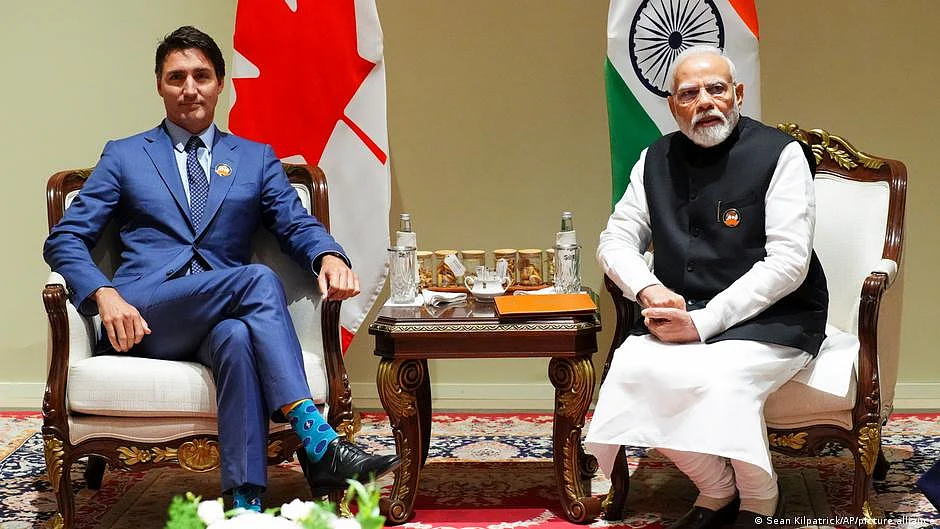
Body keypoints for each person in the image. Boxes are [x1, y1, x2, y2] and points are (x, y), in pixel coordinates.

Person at [43, 26, 399, 511]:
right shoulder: (125, 155)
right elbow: (65, 239)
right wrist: (104, 295)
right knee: (255, 279)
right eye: (176, 77)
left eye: (201, 76)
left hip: (220, 314)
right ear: (159, 85)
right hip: (147, 313)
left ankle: (245, 503)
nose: (189, 88)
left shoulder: (255, 159)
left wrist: (329, 256)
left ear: (220, 83)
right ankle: (317, 442)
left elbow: (296, 224)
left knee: (235, 336)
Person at [585, 45, 828, 529]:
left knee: (721, 378)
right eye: (689, 93)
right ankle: (715, 489)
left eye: (717, 89)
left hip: (775, 319)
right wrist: (647, 290)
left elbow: (788, 263)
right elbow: (615, 240)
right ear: (673, 106)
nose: (705, 101)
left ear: (738, 94)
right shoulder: (654, 158)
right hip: (682, 316)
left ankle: (759, 499)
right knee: (631, 369)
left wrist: (703, 322)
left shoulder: (780, 154)